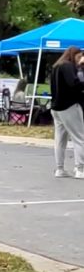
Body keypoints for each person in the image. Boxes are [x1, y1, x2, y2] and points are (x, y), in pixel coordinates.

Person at [49, 46, 84, 178]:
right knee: (80, 137)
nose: (80, 59)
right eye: (79, 56)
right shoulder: (68, 66)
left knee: (60, 139)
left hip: (56, 107)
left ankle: (59, 168)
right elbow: (74, 83)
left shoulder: (56, 66)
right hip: (68, 105)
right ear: (72, 55)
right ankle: (80, 169)